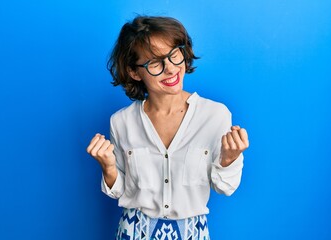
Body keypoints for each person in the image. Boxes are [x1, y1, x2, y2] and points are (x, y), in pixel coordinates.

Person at [86, 15, 249, 240]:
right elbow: (121, 191)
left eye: (174, 54)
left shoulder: (215, 115)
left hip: (193, 233)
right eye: (155, 62)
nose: (170, 69)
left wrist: (229, 160)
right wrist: (108, 167)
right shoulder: (121, 122)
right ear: (134, 72)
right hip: (133, 232)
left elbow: (225, 187)